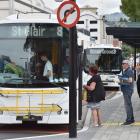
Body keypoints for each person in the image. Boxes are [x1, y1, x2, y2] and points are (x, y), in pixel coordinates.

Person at [119, 60, 134, 125]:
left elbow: (130, 81)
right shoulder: (127, 70)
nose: (122, 65)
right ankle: (131, 119)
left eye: (123, 64)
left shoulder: (129, 71)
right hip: (127, 89)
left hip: (127, 90)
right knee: (129, 104)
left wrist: (121, 80)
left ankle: (129, 120)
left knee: (127, 105)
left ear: (127, 64)